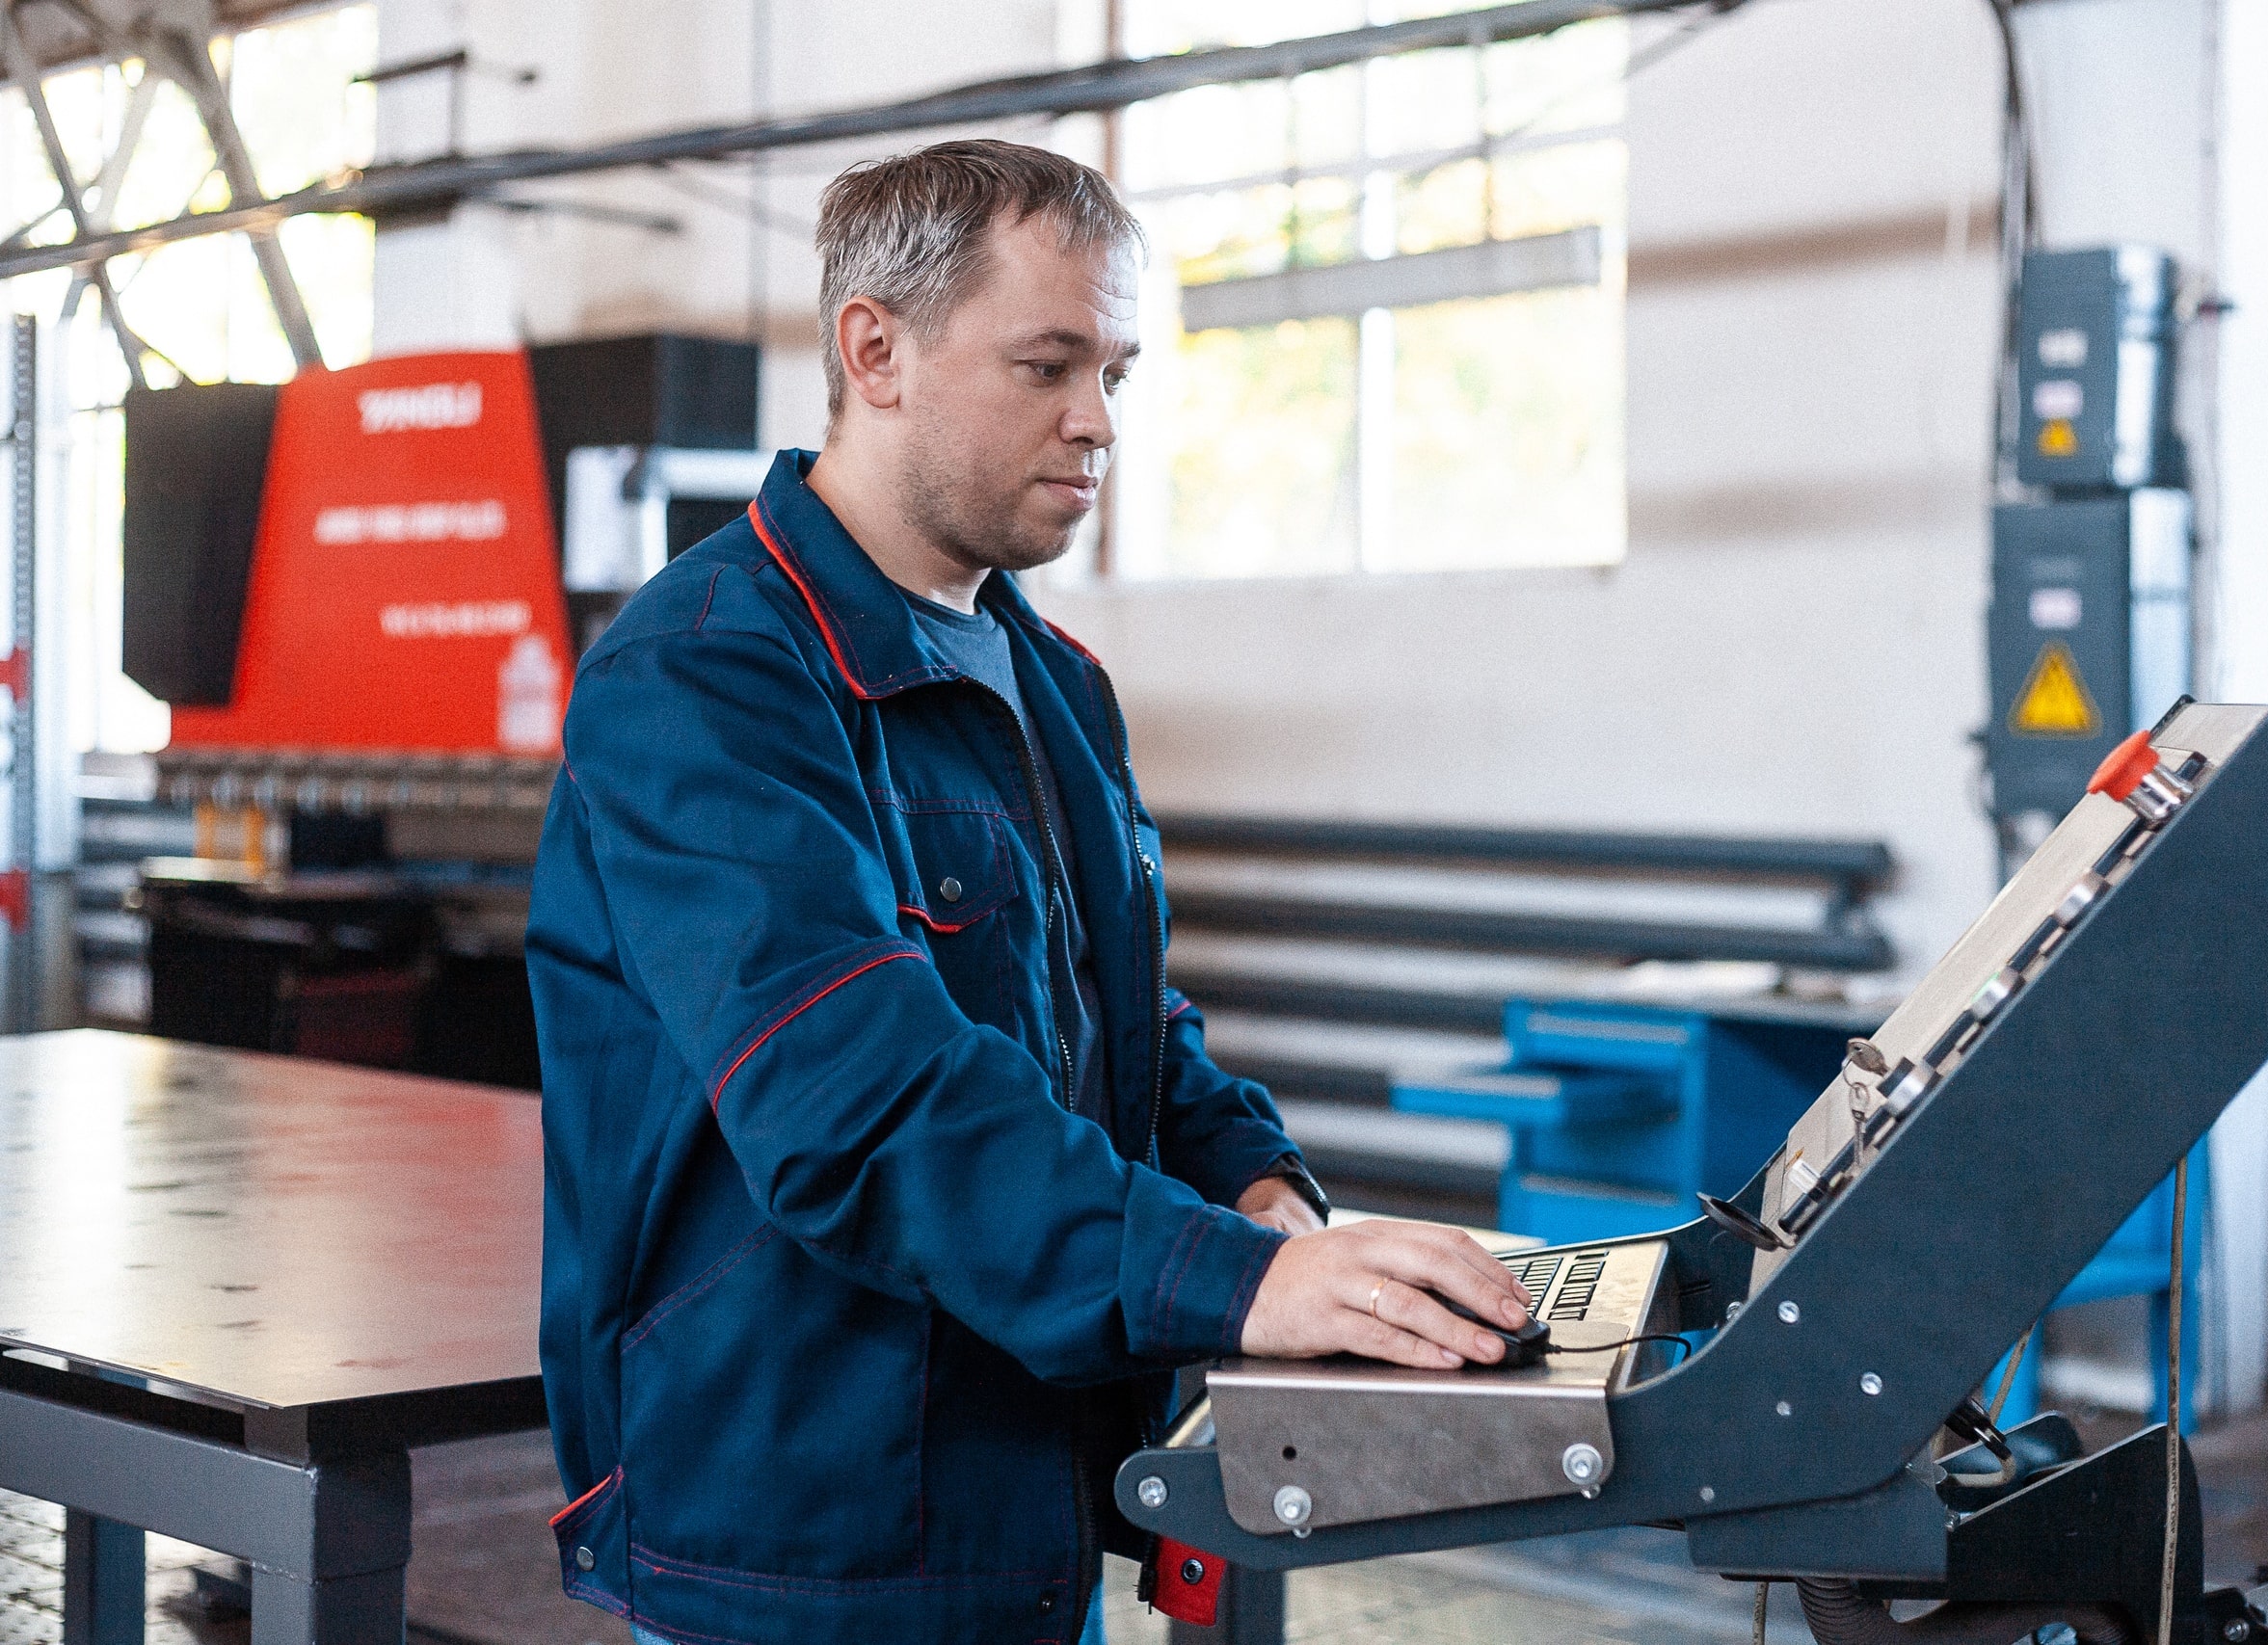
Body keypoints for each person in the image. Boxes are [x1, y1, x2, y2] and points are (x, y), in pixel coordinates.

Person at [527, 138, 1534, 1645]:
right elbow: (858, 1101)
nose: (1097, 423)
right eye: (1049, 364)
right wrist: (1234, 1281)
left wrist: (1262, 1191)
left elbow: (1125, 1020)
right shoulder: (706, 676)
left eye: (1114, 371)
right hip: (805, 1546)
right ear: (877, 349)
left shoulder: (1049, 681)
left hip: (1030, 1504)